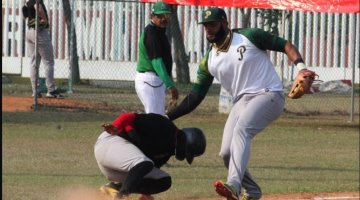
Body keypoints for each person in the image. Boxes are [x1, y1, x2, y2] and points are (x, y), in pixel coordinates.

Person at [166, 7, 315, 200]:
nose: (208, 30)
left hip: (268, 93)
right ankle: (252, 192)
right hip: (242, 101)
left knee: (242, 130)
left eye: (213, 24)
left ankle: (234, 185)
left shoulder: (248, 36)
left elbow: (285, 45)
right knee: (226, 152)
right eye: (205, 26)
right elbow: (195, 97)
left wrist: (301, 68)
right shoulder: (209, 60)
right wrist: (167, 116)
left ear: (225, 23)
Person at [94, 112, 206, 200]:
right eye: (187, 151)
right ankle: (121, 196)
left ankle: (114, 188)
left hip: (117, 168)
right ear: (185, 141)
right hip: (111, 142)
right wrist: (115, 127)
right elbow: (128, 117)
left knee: (164, 180)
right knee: (145, 163)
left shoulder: (167, 152)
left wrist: (146, 193)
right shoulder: (163, 125)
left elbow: (144, 174)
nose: (183, 155)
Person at [135, 1, 178, 115]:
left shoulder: (158, 31)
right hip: (150, 79)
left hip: (154, 80)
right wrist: (170, 85)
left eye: (166, 15)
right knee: (155, 118)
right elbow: (156, 61)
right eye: (160, 16)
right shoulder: (152, 33)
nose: (164, 19)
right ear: (152, 16)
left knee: (157, 117)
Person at [22, 0, 64, 98]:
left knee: (34, 62)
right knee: (48, 62)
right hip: (40, 32)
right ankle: (51, 90)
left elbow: (25, 13)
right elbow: (38, 8)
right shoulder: (36, 1)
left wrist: (29, 19)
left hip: (29, 32)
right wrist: (45, 21)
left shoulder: (26, 2)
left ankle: (35, 90)